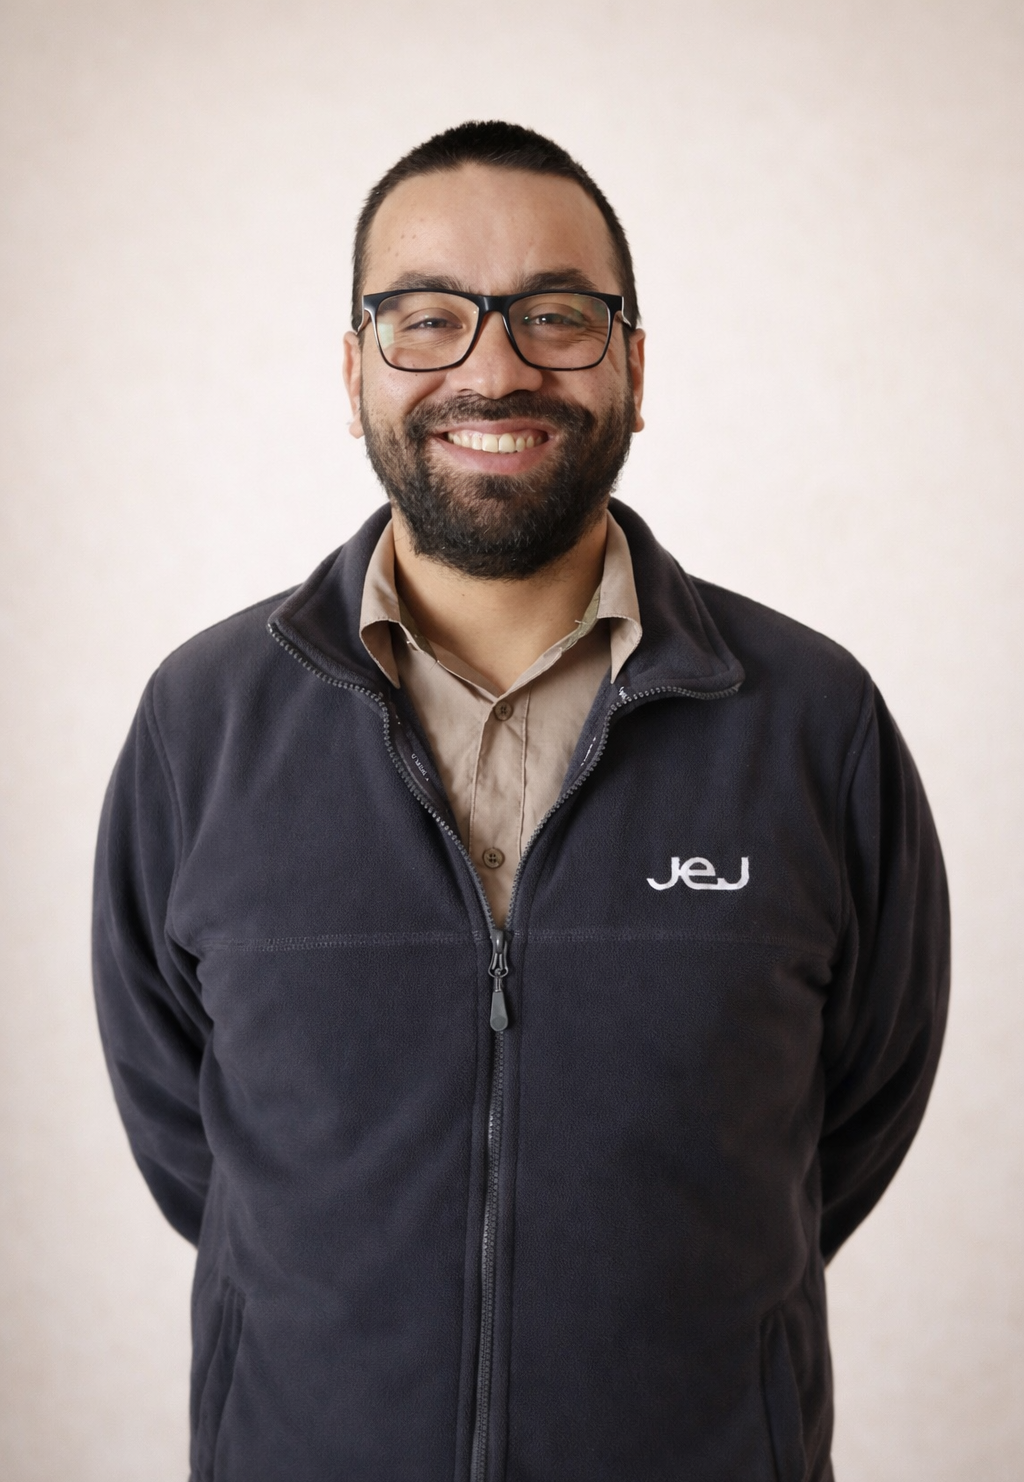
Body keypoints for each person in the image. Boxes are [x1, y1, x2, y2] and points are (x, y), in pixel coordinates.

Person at [92, 121, 949, 1482]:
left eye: (556, 315)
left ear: (635, 366)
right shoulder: (200, 724)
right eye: (428, 317)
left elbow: (853, 1115)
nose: (493, 368)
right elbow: (192, 1141)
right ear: (356, 371)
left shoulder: (810, 720)